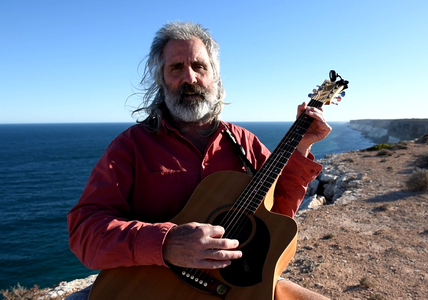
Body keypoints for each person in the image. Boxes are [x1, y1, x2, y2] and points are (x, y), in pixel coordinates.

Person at [67, 21, 331, 300]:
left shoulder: (245, 142)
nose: (189, 78)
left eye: (199, 66)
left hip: (230, 288)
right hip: (149, 285)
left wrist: (301, 146)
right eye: (176, 67)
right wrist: (166, 243)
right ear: (161, 79)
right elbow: (85, 231)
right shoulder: (131, 146)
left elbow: (277, 217)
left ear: (215, 77)